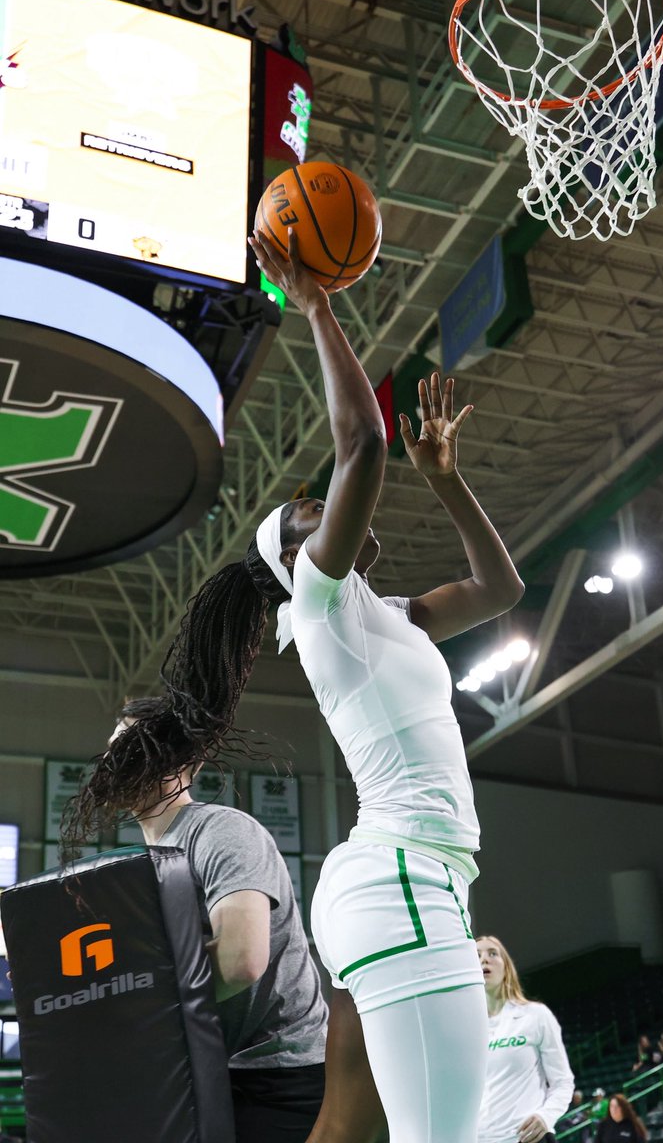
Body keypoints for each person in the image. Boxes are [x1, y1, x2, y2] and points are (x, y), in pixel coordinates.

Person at [149, 228, 525, 1143]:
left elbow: (501, 590)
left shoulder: (387, 612)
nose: (330, 506)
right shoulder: (319, 608)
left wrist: (449, 481)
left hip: (399, 879)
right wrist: (315, 306)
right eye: (310, 514)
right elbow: (360, 443)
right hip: (399, 877)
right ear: (295, 558)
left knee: (348, 1131)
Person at [60, 700, 365, 1143]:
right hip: (205, 1070)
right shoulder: (137, 866)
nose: (114, 760)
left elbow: (241, 960)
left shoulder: (220, 831)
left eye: (130, 745)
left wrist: (139, 1007)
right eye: (111, 750)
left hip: (275, 1073)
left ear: (184, 761)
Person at [476, 935, 575, 1143]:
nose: (484, 959)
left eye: (492, 953)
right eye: (476, 956)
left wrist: (545, 1117)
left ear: (507, 967)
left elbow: (563, 1082)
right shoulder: (468, 1032)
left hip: (528, 1139)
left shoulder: (536, 1016)